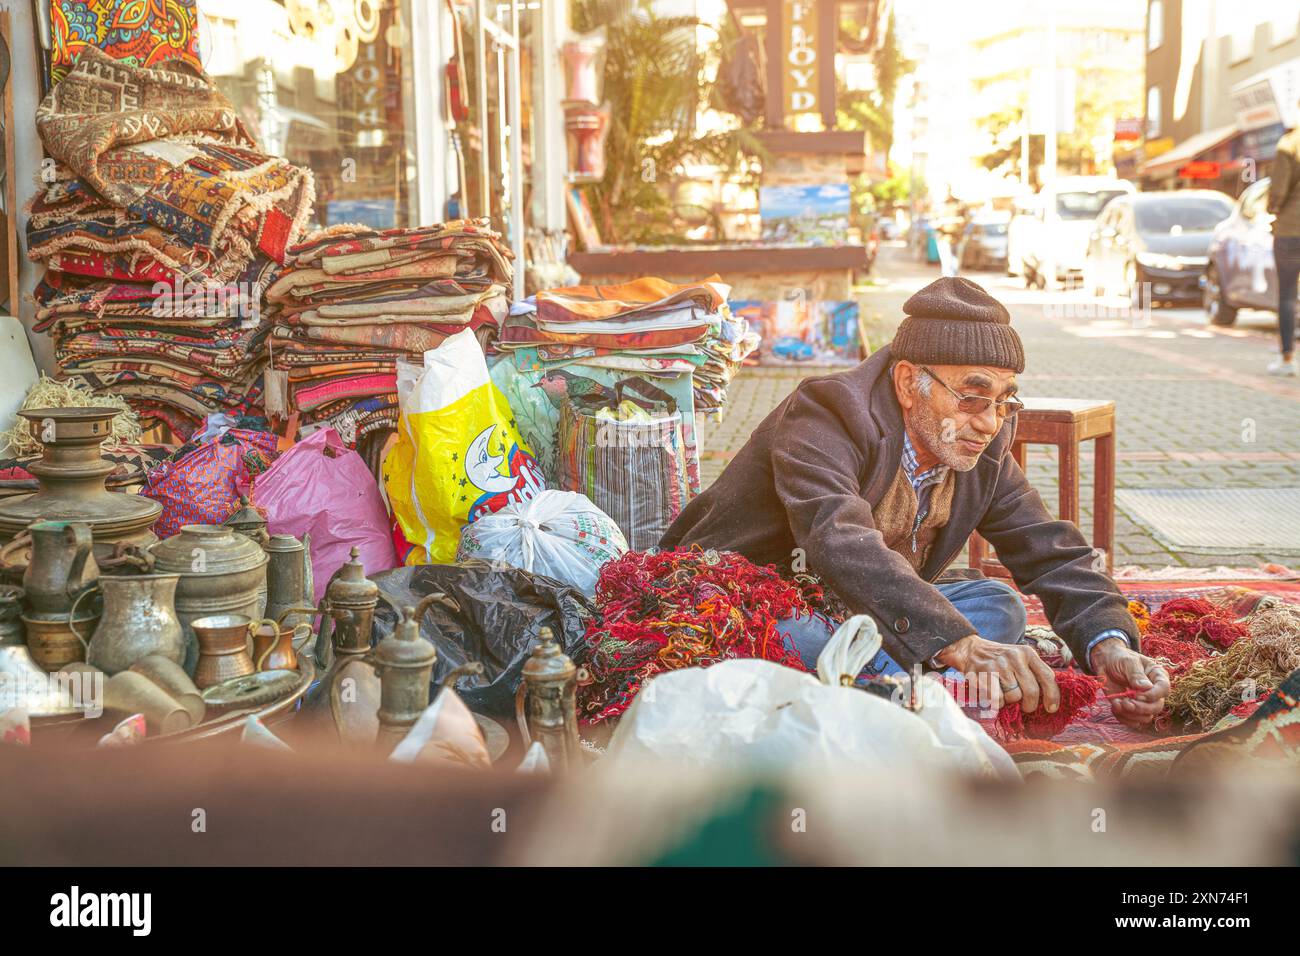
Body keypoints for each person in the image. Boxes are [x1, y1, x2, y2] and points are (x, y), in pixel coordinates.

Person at [660, 277, 1170, 725]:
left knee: (998, 604)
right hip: (759, 599)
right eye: (972, 396)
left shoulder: (982, 442)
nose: (990, 421)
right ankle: (895, 683)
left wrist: (1109, 646)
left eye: (1003, 398)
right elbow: (839, 539)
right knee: (796, 637)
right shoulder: (825, 413)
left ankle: (872, 678)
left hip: (867, 609)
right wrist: (959, 645)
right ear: (908, 382)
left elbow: (1048, 549)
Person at [1266, 112, 1300, 377]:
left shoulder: (1289, 143)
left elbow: (1279, 189)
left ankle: (1288, 358)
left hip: (1291, 230)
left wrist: (1272, 209)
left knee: (1288, 295)